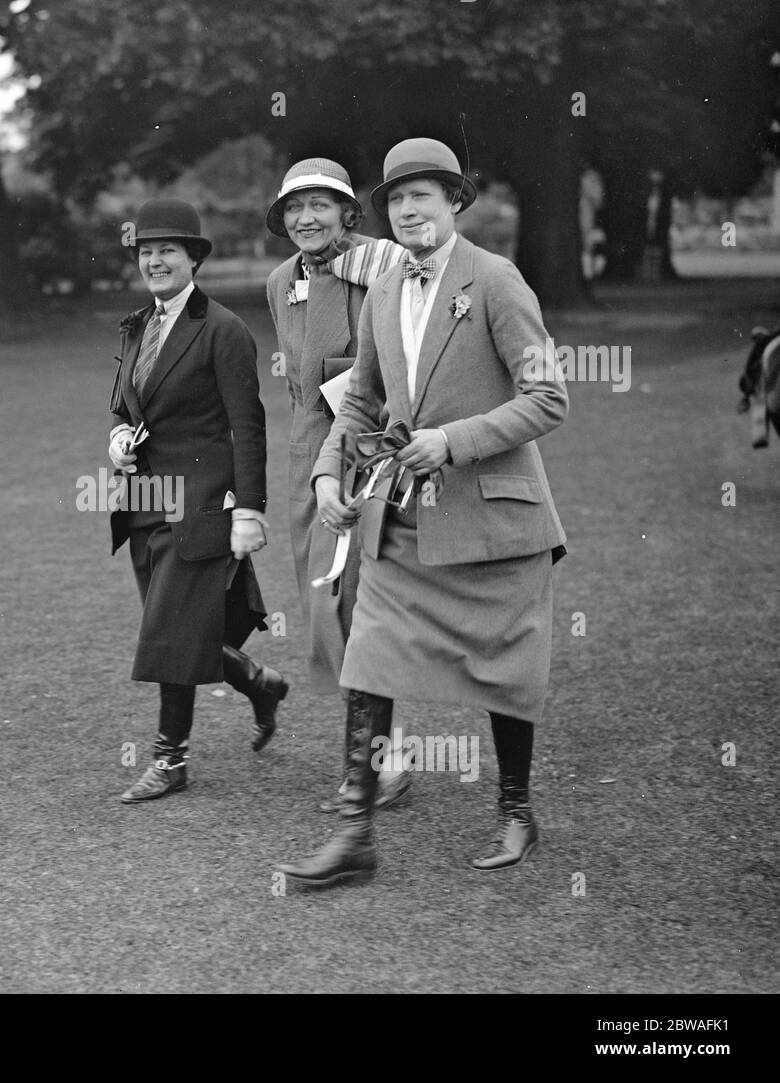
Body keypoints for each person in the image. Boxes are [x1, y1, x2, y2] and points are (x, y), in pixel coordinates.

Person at [275, 138, 569, 887]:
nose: (408, 210)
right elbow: (362, 399)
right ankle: (355, 832)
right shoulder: (383, 290)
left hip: (495, 521)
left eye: (423, 197)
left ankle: (515, 810)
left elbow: (548, 398)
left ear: (454, 203)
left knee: (504, 673)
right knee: (368, 656)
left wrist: (452, 441)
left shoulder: (497, 281)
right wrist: (326, 471)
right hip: (400, 518)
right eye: (397, 200)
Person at [108, 198, 287, 804]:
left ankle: (170, 759)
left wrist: (250, 509)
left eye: (168, 251)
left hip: (203, 504)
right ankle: (259, 684)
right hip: (144, 504)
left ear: (193, 260)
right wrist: (116, 442)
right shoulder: (137, 325)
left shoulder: (223, 330)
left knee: (169, 632)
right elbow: (122, 405)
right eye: (146, 252)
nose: (155, 261)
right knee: (179, 631)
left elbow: (248, 424)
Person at [262, 158, 411, 812]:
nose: (307, 219)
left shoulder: (378, 268)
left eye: (322, 205)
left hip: (361, 451)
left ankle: (384, 760)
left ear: (349, 212)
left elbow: (383, 377)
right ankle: (379, 753)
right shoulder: (279, 282)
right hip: (302, 458)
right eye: (296, 208)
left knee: (349, 601)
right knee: (321, 604)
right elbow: (298, 382)